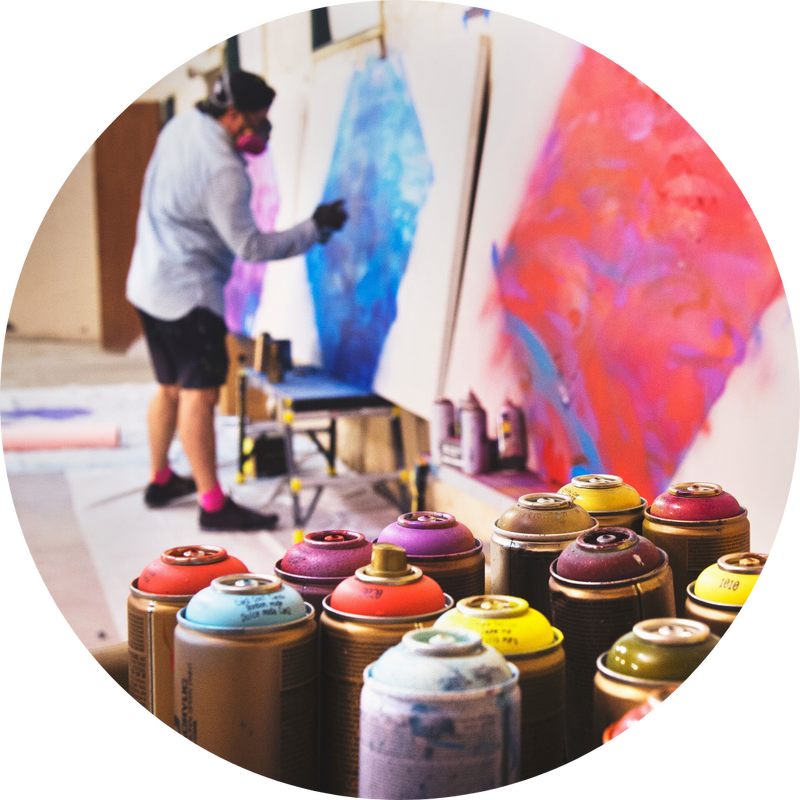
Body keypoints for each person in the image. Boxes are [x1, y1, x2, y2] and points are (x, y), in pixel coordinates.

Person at [126, 70, 347, 531]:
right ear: (232, 116)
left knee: (168, 387)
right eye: (258, 119)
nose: (262, 130)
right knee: (199, 395)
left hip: (148, 281)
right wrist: (314, 228)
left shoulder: (181, 126)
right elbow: (252, 247)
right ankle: (212, 505)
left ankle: (160, 479)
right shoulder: (225, 171)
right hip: (188, 295)